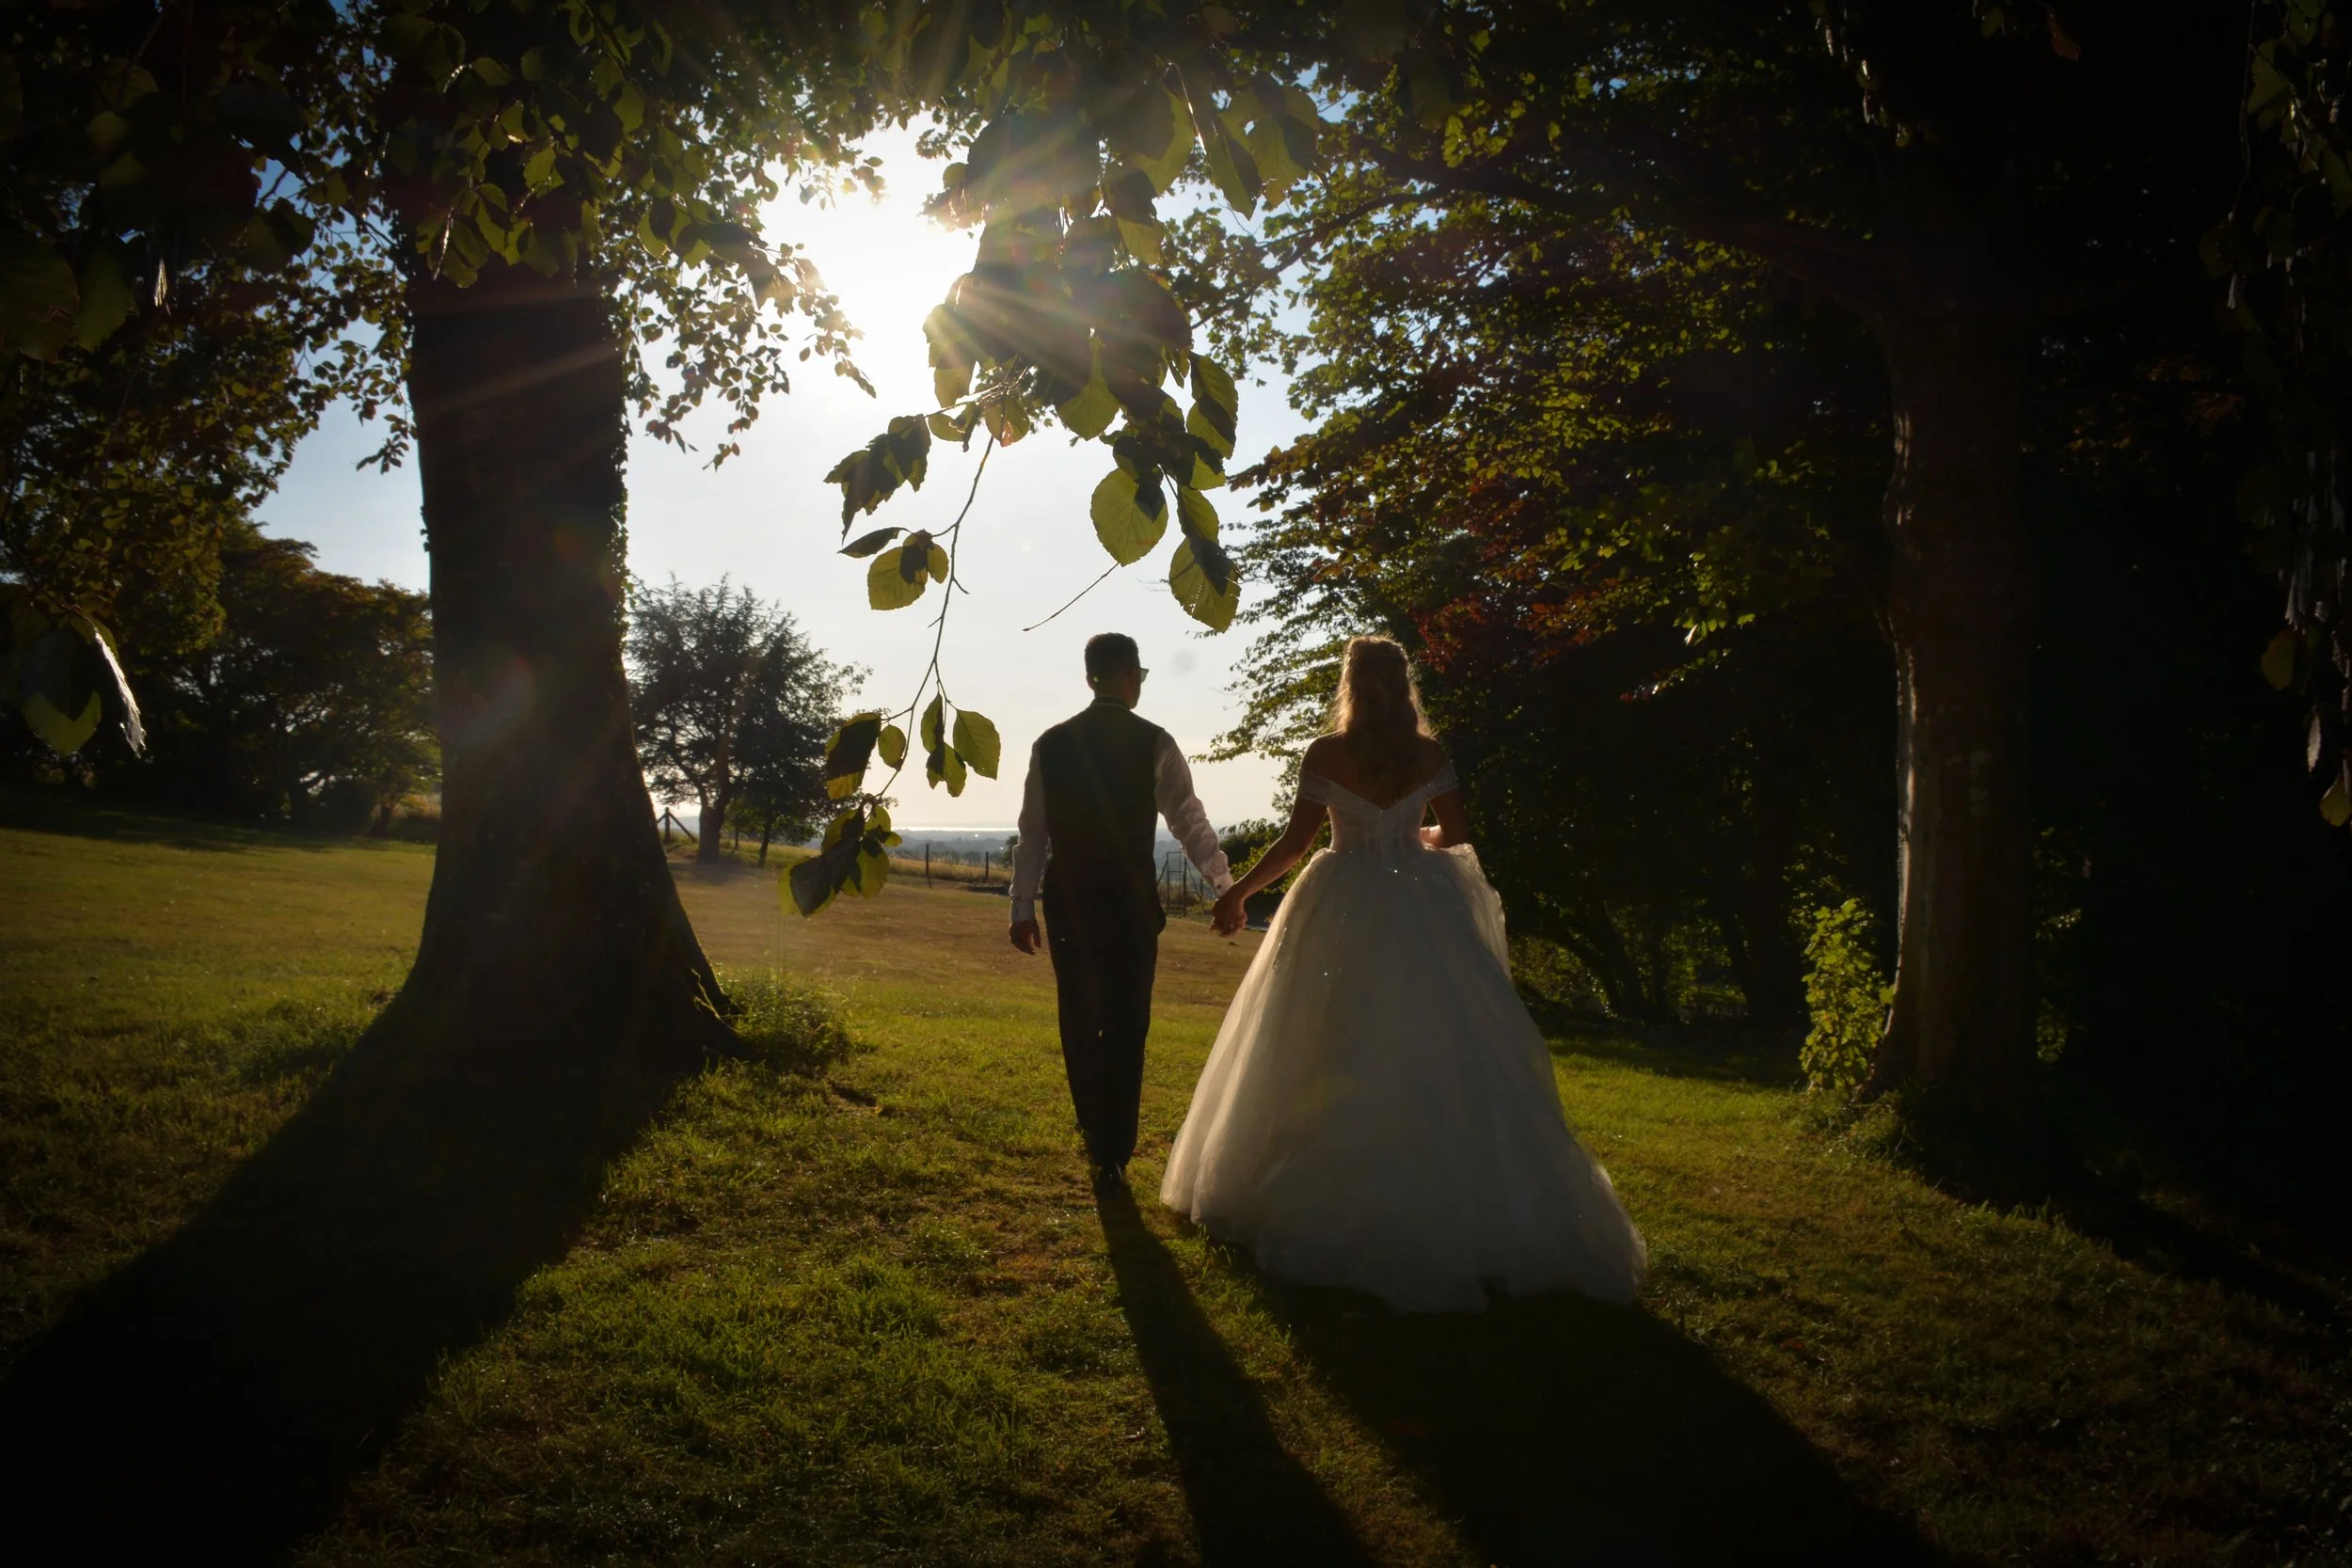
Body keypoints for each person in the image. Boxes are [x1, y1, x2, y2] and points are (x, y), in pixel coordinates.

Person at [1161, 636, 1647, 1312]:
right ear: (1405, 683)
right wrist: (1410, 838)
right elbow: (1456, 835)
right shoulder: (1431, 756)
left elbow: (1297, 844)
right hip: (1422, 907)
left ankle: (1312, 1188)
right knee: (1439, 1044)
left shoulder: (1327, 753)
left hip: (1340, 901)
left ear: (1351, 685)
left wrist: (1238, 892)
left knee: (1322, 1039)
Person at [1010, 633, 1233, 1190]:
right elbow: (1189, 821)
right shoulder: (1154, 741)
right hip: (1132, 906)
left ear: (1090, 677)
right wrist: (1224, 884)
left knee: (1080, 1019)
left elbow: (1032, 834)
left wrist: (1021, 907)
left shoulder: (1051, 744)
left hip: (1069, 903)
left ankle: (1096, 1131)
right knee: (1129, 1022)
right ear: (1131, 675)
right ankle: (1115, 1147)